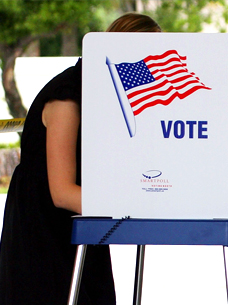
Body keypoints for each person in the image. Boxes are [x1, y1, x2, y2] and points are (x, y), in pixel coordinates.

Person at [0, 13, 161, 305]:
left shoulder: (103, 93)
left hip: (81, 226)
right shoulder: (67, 97)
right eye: (146, 62)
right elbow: (62, 192)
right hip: (43, 229)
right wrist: (132, 205)